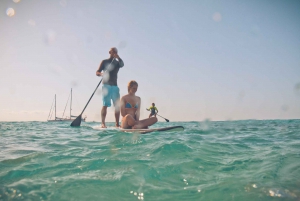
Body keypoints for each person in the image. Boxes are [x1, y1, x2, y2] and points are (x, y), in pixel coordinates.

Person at [96, 47, 124, 128]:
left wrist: (118, 58)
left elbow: (122, 64)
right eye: (113, 51)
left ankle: (117, 124)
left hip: (115, 86)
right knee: (105, 105)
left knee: (117, 106)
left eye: (116, 51)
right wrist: (102, 74)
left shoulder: (117, 63)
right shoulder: (104, 61)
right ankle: (103, 123)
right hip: (106, 85)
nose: (114, 52)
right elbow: (97, 72)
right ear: (109, 52)